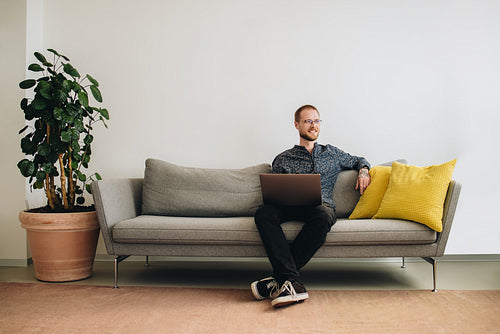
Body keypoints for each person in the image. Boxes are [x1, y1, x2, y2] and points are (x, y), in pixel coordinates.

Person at [251, 104, 371, 308]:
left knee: (323, 217)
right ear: (297, 125)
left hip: (320, 207)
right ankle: (290, 282)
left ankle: (281, 280)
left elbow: (359, 160)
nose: (313, 125)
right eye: (308, 121)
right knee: (263, 213)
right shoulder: (283, 158)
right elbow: (273, 190)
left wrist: (364, 172)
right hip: (288, 206)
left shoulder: (332, 153)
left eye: (316, 121)